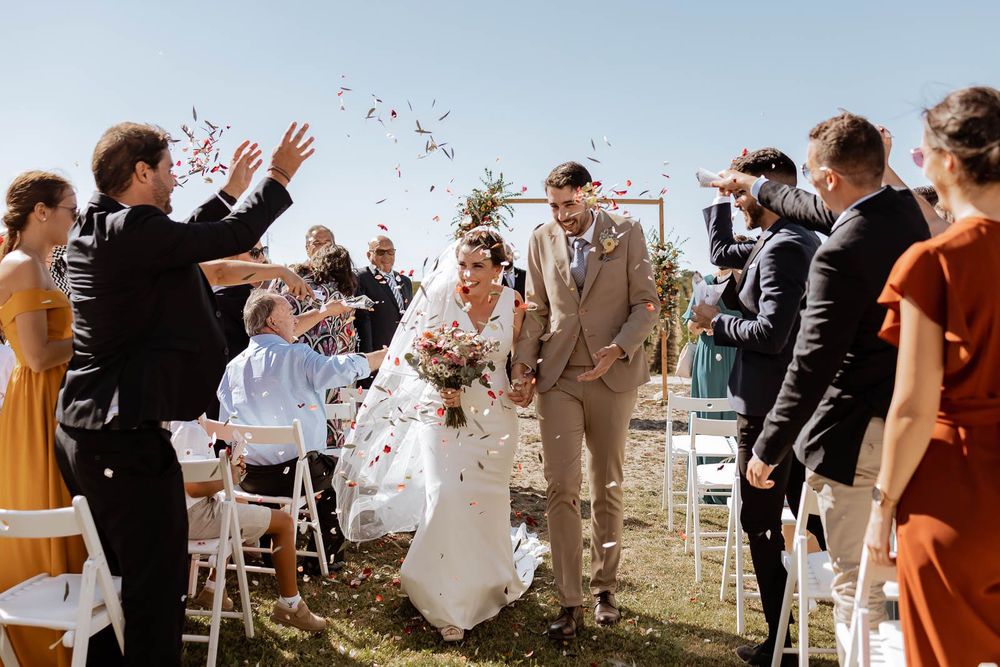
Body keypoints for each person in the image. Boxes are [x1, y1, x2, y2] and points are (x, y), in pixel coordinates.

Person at [54, 121, 314, 666]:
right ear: (142, 171)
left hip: (92, 429)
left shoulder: (106, 227)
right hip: (121, 440)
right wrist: (279, 174)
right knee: (156, 588)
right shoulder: (130, 233)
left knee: (124, 577)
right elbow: (216, 239)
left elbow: (178, 240)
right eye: (169, 168)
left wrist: (226, 194)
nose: (176, 178)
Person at [716, 114, 930, 662]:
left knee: (858, 584)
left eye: (812, 176)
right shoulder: (906, 215)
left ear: (829, 178)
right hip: (916, 427)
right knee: (892, 583)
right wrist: (753, 187)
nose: (809, 188)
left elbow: (813, 362)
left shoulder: (840, 250)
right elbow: (820, 208)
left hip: (857, 433)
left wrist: (769, 446)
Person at [335, 228, 547, 643]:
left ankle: (488, 583)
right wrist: (441, 383)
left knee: (487, 499)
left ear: (499, 268)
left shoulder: (513, 303)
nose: (466, 274)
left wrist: (525, 380)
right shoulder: (439, 297)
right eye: (463, 265)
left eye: (477, 266)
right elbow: (420, 353)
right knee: (446, 494)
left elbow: (516, 358)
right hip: (442, 411)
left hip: (495, 417)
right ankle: (442, 597)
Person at [864, 85, 1000, 665]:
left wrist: (882, 507)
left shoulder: (934, 261)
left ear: (946, 162)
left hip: (954, 494)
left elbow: (914, 405)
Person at [510, 161, 660, 640]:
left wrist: (619, 347)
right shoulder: (539, 239)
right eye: (553, 206)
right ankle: (568, 599)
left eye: (569, 205)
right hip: (558, 378)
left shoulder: (627, 231)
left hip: (613, 374)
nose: (561, 215)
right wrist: (522, 365)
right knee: (561, 486)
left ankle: (605, 586)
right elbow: (535, 308)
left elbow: (647, 303)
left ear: (587, 194)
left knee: (607, 482)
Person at [689, 148, 824, 665]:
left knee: (764, 524)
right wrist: (723, 196)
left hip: (771, 409)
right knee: (806, 518)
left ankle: (781, 645)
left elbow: (771, 333)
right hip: (782, 403)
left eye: (743, 190)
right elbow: (723, 246)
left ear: (769, 188)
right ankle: (801, 631)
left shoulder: (786, 246)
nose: (739, 199)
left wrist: (713, 325)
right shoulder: (778, 238)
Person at [217, 291, 382, 572]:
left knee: (320, 466)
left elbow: (225, 428)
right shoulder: (296, 354)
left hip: (249, 479)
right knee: (342, 473)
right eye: (289, 313)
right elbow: (336, 370)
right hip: (297, 475)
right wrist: (384, 357)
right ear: (272, 320)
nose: (295, 319)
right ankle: (323, 560)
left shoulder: (233, 367)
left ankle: (276, 553)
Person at [0, 170, 87, 667]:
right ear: (40, 211)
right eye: (70, 209)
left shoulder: (38, 265)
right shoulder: (20, 265)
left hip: (52, 399)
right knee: (47, 503)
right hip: (36, 405)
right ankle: (41, 646)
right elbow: (35, 356)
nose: (75, 218)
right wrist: (97, 340)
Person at [169, 421, 327, 632]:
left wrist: (229, 470)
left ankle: (213, 589)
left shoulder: (169, 422)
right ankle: (291, 606)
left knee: (231, 502)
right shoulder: (189, 428)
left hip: (172, 514)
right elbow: (194, 487)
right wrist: (230, 477)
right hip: (194, 515)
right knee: (284, 522)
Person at [282, 243, 361, 447]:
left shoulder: (296, 285)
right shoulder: (344, 296)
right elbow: (347, 339)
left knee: (294, 417)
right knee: (327, 420)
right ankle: (326, 464)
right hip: (326, 366)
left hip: (292, 361)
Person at [355, 234, 413, 387]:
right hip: (375, 353)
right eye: (380, 252)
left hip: (401, 353)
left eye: (390, 252)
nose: (386, 256)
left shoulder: (405, 282)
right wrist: (367, 358)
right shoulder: (360, 277)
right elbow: (362, 319)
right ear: (369, 255)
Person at [682, 269, 739, 420]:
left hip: (736, 356)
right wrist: (703, 322)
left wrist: (721, 322)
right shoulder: (705, 282)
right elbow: (691, 328)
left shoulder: (745, 280)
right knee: (707, 409)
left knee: (734, 413)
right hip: (708, 356)